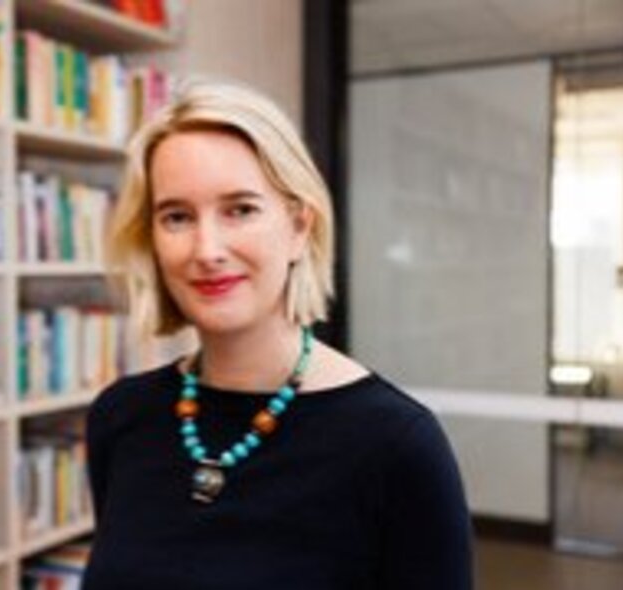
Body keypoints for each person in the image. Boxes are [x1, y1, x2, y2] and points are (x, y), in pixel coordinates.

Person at [82, 79, 472, 589]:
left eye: (240, 210)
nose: (207, 249)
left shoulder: (396, 445)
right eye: (177, 217)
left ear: (298, 227)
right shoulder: (120, 417)